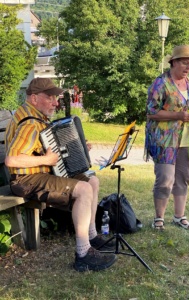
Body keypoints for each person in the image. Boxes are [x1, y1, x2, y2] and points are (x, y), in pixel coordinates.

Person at [4, 77, 116, 272]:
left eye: (55, 98)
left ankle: (91, 236)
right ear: (34, 98)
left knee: (92, 181)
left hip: (40, 174)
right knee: (83, 190)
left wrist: (78, 148)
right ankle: (83, 254)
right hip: (25, 180)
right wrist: (45, 160)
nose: (56, 103)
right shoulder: (29, 124)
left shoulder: (36, 117)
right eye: (50, 98)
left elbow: (49, 150)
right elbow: (12, 161)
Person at [145, 45, 189, 231]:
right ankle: (159, 218)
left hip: (185, 138)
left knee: (182, 177)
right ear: (174, 62)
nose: (188, 67)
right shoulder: (160, 83)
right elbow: (151, 112)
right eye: (185, 63)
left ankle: (179, 216)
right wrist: (178, 116)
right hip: (164, 140)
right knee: (165, 178)